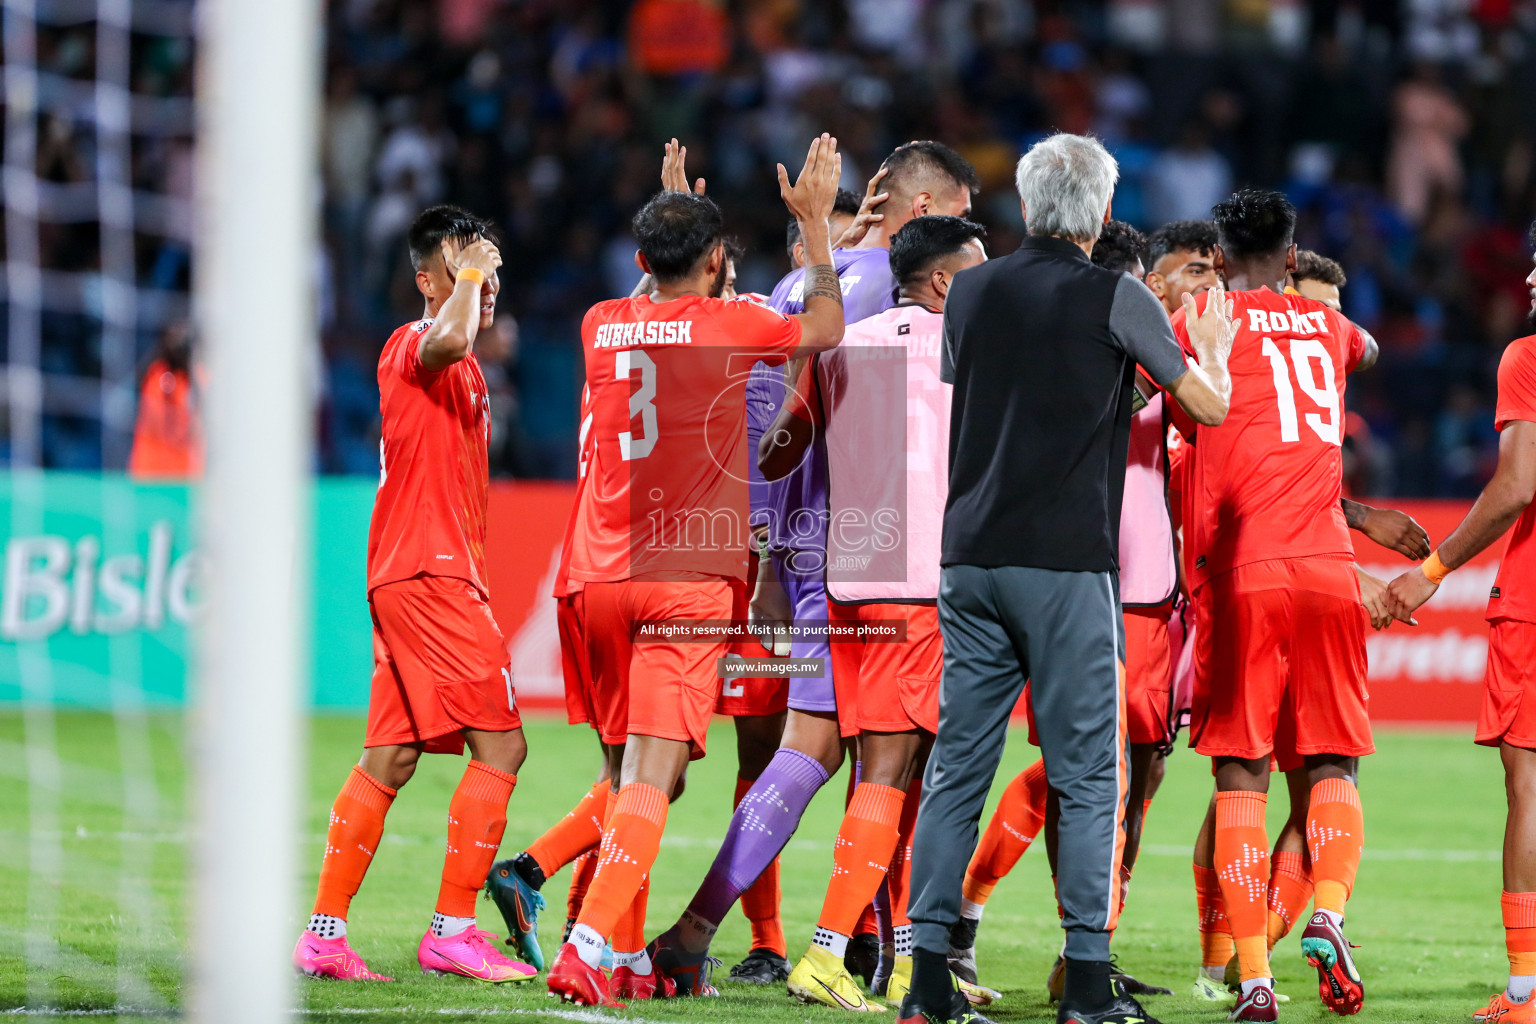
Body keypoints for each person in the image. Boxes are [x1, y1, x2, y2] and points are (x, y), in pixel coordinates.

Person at [901, 132, 1236, 1024]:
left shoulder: (968, 291)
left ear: (1026, 201)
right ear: (1101, 212)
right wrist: (1216, 349)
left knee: (957, 771)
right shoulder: (1118, 293)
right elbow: (1206, 409)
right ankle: (1088, 983)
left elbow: (1007, 390)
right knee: (1092, 774)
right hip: (1064, 563)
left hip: (969, 556)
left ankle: (926, 981)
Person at [646, 140, 981, 996]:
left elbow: (770, 420)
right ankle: (873, 950)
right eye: (960, 218)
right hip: (890, 550)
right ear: (926, 212)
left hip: (807, 550)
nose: (972, 243)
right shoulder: (903, 298)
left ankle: (834, 942)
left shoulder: (802, 287)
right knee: (890, 762)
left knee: (813, 750)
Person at [543, 133, 848, 1007]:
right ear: (720, 261)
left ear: (640, 259)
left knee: (627, 771)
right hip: (686, 578)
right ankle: (591, 946)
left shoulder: (602, 322)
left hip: (596, 573)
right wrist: (818, 228)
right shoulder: (738, 324)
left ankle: (626, 951)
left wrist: (677, 217)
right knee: (655, 772)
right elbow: (823, 326)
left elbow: (659, 287)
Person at [292, 206, 537, 985]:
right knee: (503, 744)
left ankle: (323, 936)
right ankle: (453, 929)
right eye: (470, 268)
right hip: (429, 573)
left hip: (412, 570)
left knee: (390, 757)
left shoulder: (468, 366)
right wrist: (463, 279)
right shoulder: (415, 343)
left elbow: (464, 340)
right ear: (429, 278)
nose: (488, 283)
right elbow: (447, 335)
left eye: (492, 270)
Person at [754, 215, 987, 1011]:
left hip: (848, 583)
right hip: (919, 587)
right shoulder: (972, 354)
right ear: (943, 283)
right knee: (891, 777)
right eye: (978, 271)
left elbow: (777, 451)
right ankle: (824, 952)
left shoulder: (844, 345)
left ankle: (892, 956)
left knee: (885, 772)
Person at [1172, 189, 1389, 1021]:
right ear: (1294, 260)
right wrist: (1308, 318)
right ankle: (1328, 914)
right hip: (1333, 566)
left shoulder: (1205, 322)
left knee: (1243, 774)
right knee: (1333, 762)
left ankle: (1255, 980)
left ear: (1219, 259)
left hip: (1248, 568)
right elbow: (1365, 347)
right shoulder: (1328, 329)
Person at [946, 220, 1174, 1003]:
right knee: (1085, 780)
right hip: (1084, 579)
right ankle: (1064, 960)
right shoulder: (1120, 330)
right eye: (1172, 272)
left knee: (1122, 778)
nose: (1184, 287)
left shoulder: (1006, 312)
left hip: (1138, 592)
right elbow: (1185, 406)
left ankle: (971, 960)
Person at [1384, 223, 1536, 1024]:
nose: (1535, 279)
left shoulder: (1527, 357)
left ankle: (1526, 991)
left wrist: (1431, 572)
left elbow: (1516, 486)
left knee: (1530, 787)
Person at [1143, 220, 1219, 317]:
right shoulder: (1130, 331)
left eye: (1220, 275)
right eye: (1197, 272)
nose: (1216, 285)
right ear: (1157, 284)